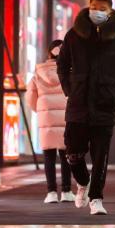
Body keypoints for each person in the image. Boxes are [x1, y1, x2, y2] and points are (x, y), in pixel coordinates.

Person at [58, 0, 115, 216]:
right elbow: (62, 64)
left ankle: (96, 198)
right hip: (78, 103)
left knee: (101, 155)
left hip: (104, 104)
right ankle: (83, 181)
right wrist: (70, 89)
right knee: (73, 151)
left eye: (102, 9)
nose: (97, 12)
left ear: (110, 12)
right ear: (88, 7)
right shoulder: (74, 34)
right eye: (94, 7)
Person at [26, 39, 73, 204]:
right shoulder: (69, 71)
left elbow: (30, 96)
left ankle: (51, 192)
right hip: (66, 117)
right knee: (66, 155)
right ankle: (67, 191)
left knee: (49, 156)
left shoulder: (39, 72)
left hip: (47, 118)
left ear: (48, 53)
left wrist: (40, 110)